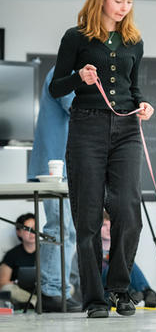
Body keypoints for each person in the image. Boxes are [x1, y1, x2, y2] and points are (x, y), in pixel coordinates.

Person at [48, 0, 154, 318]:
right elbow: (55, 88)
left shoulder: (134, 41)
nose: (124, 7)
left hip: (126, 130)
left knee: (127, 209)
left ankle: (120, 290)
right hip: (86, 128)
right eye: (118, 0)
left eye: (130, 2)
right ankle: (95, 298)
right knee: (88, 215)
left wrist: (143, 104)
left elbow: (133, 87)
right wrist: (79, 77)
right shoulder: (76, 37)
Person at [27, 65, 81, 312]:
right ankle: (51, 292)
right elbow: (77, 109)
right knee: (59, 228)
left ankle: (56, 290)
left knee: (65, 229)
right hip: (53, 167)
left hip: (65, 167)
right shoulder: (64, 72)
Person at [101, 212, 156, 308]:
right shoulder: (91, 249)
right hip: (104, 291)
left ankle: (138, 292)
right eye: (104, 225)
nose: (108, 229)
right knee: (120, 263)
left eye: (110, 224)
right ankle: (145, 291)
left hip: (115, 288)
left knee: (125, 261)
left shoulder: (118, 247)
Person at [0, 214, 37, 309]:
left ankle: (34, 302)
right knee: (7, 288)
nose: (32, 232)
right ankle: (37, 301)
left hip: (42, 290)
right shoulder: (12, 254)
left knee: (69, 287)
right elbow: (3, 282)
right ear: (19, 232)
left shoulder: (48, 252)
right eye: (27, 229)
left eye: (34, 228)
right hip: (20, 291)